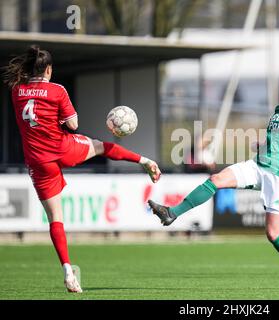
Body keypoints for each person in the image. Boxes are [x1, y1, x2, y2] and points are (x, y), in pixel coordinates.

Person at [149, 75, 279, 289]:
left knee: (273, 234)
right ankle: (171, 213)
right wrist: (263, 145)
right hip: (258, 165)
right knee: (215, 179)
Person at [3, 45, 161, 293]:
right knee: (100, 146)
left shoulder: (17, 91)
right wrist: (59, 117)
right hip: (63, 147)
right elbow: (73, 125)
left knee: (56, 219)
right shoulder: (57, 90)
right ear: (48, 69)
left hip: (37, 160)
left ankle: (67, 269)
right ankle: (145, 161)